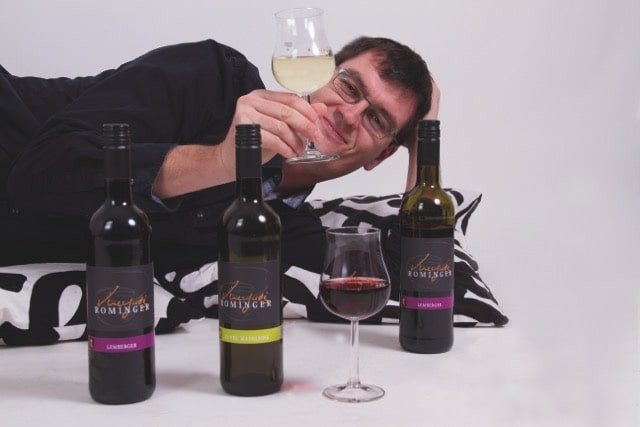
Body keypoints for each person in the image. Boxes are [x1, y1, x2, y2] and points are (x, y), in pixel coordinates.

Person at [0, 37, 438, 274]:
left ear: (379, 156)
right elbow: (40, 172)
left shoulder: (283, 229)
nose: (349, 113)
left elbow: (415, 278)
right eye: (348, 86)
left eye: (377, 120)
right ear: (320, 74)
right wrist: (221, 162)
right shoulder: (212, 75)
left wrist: (426, 135)